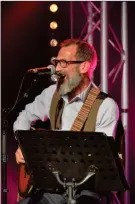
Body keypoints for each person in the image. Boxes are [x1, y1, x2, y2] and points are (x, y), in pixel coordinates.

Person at [14, 38, 121, 204]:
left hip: (86, 190)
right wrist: (23, 147)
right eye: (56, 62)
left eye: (63, 63)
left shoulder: (106, 106)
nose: (57, 69)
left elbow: (102, 160)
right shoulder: (51, 94)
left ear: (84, 67)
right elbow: (23, 117)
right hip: (53, 187)